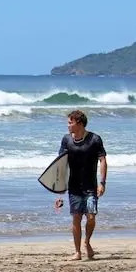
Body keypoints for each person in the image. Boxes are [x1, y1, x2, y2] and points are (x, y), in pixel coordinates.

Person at [53, 109, 107, 261]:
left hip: (91, 186)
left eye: (70, 122)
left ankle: (87, 242)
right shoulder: (66, 140)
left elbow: (103, 160)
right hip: (74, 186)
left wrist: (102, 183)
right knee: (76, 218)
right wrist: (59, 191)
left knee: (91, 217)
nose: (68, 125)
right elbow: (61, 165)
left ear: (80, 123)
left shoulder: (95, 139)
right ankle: (77, 252)